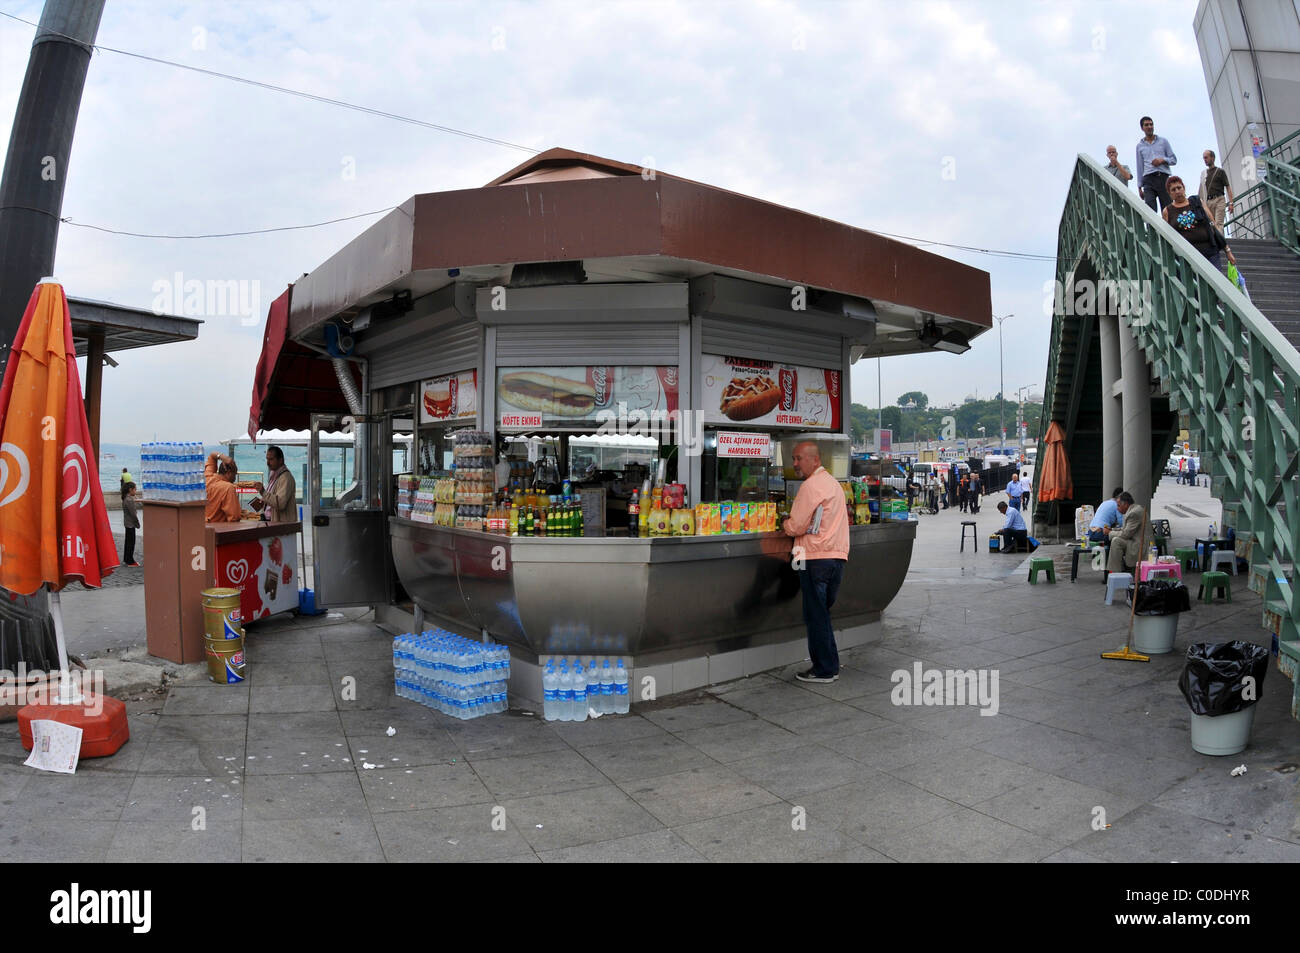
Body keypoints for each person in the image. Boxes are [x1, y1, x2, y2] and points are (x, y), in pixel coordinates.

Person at [782, 441, 849, 684]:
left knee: (815, 615)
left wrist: (784, 524)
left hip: (812, 558)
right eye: (793, 458)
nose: (795, 464)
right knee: (821, 613)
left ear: (815, 460)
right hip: (836, 559)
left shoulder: (810, 486)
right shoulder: (833, 484)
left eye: (799, 458)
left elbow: (797, 526)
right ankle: (830, 665)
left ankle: (823, 670)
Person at [1162, 176, 1237, 271]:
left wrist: (1227, 250)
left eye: (1179, 187)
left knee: (1215, 281)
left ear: (1183, 188)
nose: (1177, 191)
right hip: (1187, 257)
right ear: (1169, 194)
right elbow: (1167, 236)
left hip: (1209, 252)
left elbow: (1213, 225)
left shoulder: (1197, 202)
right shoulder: (1167, 211)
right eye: (1173, 190)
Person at [1136, 116, 1177, 212]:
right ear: (1142, 128)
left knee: (1168, 209)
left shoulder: (1163, 141)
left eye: (1151, 124)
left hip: (1163, 178)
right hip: (1148, 180)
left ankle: (1168, 227)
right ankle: (1151, 227)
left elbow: (1174, 160)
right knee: (1150, 209)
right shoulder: (1139, 146)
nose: (1149, 126)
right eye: (1146, 125)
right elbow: (1140, 166)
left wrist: (1162, 160)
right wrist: (1139, 187)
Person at [252, 445, 297, 523]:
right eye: (267, 459)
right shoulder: (274, 475)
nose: (268, 463)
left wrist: (263, 492)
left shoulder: (286, 478)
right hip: (270, 521)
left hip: (281, 525)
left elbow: (280, 503)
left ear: (280, 460)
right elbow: (272, 499)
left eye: (271, 459)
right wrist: (261, 503)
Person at [1107, 492, 1146, 573]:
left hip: (1140, 545)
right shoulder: (1132, 510)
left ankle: (1115, 572)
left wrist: (1109, 533)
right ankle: (1116, 570)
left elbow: (1126, 534)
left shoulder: (1134, 513)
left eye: (1118, 505)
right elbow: (1125, 529)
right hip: (1133, 540)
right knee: (1115, 539)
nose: (1117, 508)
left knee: (1116, 541)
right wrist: (1112, 530)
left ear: (1125, 504)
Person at [1197, 150, 1233, 230]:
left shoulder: (1220, 171)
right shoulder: (1204, 173)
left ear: (1212, 158)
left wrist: (1231, 202)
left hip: (1219, 199)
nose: (1205, 160)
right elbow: (1201, 190)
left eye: (1206, 157)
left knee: (1219, 223)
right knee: (1211, 224)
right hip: (1208, 201)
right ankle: (1216, 241)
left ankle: (1220, 242)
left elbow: (1228, 187)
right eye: (1203, 158)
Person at [204, 451, 241, 523]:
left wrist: (222, 457)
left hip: (202, 526)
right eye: (235, 474)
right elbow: (234, 518)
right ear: (229, 473)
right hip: (218, 530)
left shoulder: (207, 477)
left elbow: (212, 456)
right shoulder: (228, 488)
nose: (235, 478)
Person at [121, 481, 141, 566]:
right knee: (131, 543)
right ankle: (130, 561)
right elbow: (133, 514)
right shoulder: (129, 500)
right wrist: (137, 524)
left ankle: (127, 559)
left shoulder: (126, 498)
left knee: (128, 542)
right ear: (130, 489)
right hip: (130, 524)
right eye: (135, 489)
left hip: (127, 523)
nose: (135, 491)